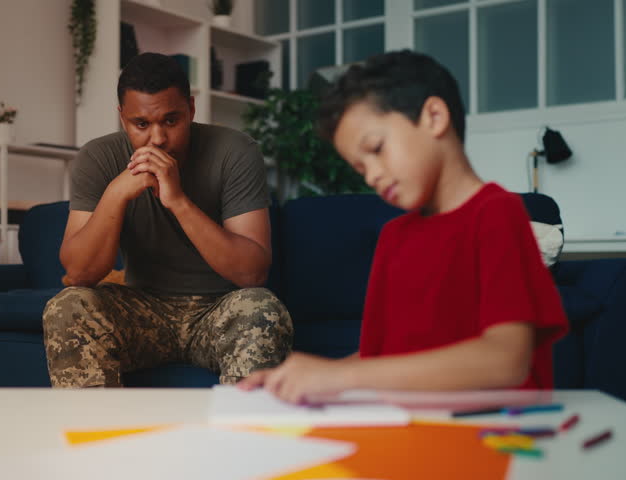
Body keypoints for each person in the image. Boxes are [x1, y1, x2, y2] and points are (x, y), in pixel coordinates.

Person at [238, 50, 568, 404]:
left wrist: (339, 376)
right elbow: (379, 358)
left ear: (435, 117)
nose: (374, 175)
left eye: (377, 149)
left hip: (497, 433)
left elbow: (506, 361)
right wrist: (301, 378)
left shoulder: (497, 214)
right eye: (361, 169)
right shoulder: (394, 238)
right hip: (412, 423)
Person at [43, 52, 292, 388]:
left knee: (261, 307)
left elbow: (252, 273)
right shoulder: (98, 157)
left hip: (218, 309)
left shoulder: (235, 151)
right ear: (122, 118)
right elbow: (79, 273)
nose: (157, 139)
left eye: (171, 121)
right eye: (141, 124)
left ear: (191, 109)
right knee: (68, 306)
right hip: (144, 311)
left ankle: (242, 438)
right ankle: (98, 436)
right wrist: (116, 194)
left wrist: (177, 201)